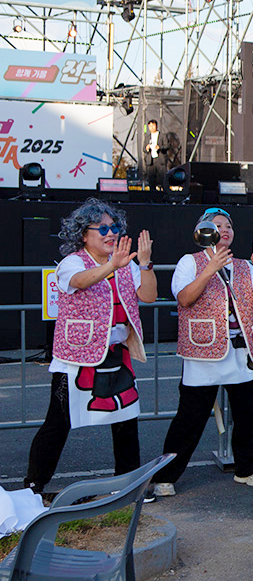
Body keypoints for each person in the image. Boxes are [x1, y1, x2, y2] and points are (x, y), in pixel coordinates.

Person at [24, 199, 157, 497]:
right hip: (77, 357)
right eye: (103, 229)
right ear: (84, 234)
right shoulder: (73, 261)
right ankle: (33, 487)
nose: (111, 234)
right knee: (58, 423)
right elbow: (78, 282)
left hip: (115, 352)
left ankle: (128, 486)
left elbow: (148, 295)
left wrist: (145, 264)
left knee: (125, 418)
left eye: (115, 228)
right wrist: (112, 265)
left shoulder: (127, 264)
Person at [151, 207, 253, 496]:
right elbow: (183, 298)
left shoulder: (243, 265)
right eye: (218, 225)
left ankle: (249, 468)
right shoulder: (189, 262)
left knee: (249, 412)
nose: (225, 229)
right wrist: (209, 269)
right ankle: (166, 475)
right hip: (202, 348)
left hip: (239, 347)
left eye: (229, 225)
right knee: (190, 416)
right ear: (203, 231)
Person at [144, 119, 174, 193]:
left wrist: (160, 147)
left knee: (163, 178)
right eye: (150, 126)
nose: (151, 128)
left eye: (153, 126)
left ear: (156, 126)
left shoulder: (162, 136)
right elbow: (143, 149)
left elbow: (167, 146)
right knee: (151, 179)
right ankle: (152, 195)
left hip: (160, 160)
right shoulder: (147, 137)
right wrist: (147, 148)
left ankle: (166, 194)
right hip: (151, 161)